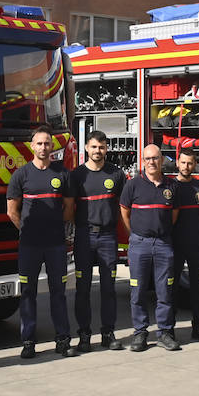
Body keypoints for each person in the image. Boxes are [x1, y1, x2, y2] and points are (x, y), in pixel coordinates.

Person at [7, 125, 77, 360]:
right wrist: (27, 231)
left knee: (59, 293)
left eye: (47, 143)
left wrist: (55, 228)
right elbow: (11, 211)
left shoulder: (62, 173)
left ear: (51, 146)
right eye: (39, 143)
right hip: (29, 246)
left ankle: (63, 340)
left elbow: (68, 208)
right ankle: (28, 342)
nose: (43, 147)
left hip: (56, 244)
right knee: (28, 293)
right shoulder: (21, 175)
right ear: (32, 146)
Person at [120, 144, 179, 352]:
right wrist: (136, 235)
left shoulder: (172, 186)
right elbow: (125, 213)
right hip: (139, 244)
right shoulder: (133, 185)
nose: (151, 162)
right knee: (138, 291)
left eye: (155, 158)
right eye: (147, 159)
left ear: (161, 160)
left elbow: (173, 216)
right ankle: (140, 333)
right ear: (142, 162)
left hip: (163, 244)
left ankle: (165, 332)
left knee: (165, 291)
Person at [70, 131, 125, 351]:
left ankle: (108, 334)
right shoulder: (76, 176)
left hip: (108, 237)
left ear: (106, 149)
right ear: (86, 148)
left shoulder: (116, 174)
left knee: (108, 288)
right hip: (84, 236)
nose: (98, 151)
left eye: (101, 147)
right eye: (94, 147)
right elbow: (69, 207)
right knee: (83, 288)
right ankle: (84, 335)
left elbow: (124, 207)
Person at [172, 151, 199, 341]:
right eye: (183, 163)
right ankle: (168, 331)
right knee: (170, 289)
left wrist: (196, 227)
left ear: (195, 164)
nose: (186, 166)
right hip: (174, 244)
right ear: (177, 163)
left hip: (197, 244)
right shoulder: (170, 186)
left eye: (190, 163)